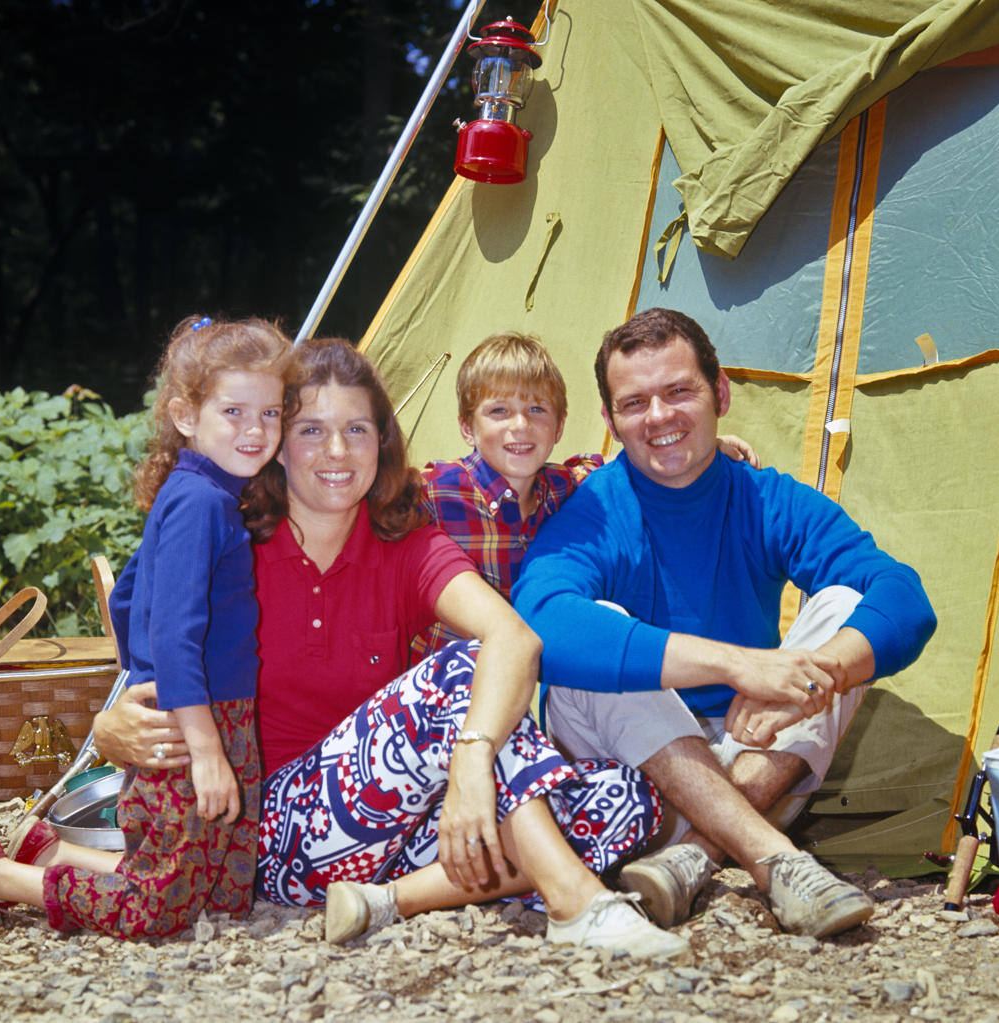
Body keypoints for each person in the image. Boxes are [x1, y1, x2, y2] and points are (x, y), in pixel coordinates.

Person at [89, 337, 687, 959]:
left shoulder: (405, 544)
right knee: (458, 672)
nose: (339, 452)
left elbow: (515, 637)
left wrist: (471, 766)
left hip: (402, 824)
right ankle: (576, 904)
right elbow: (146, 636)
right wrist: (109, 725)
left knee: (626, 797)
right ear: (276, 443)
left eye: (358, 429)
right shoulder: (225, 534)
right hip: (270, 829)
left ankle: (390, 900)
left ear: (383, 442)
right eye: (311, 430)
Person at [512, 307, 937, 939]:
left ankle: (697, 853)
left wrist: (817, 675)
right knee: (586, 646)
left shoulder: (767, 499)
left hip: (757, 751)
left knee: (849, 612)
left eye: (679, 390)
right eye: (635, 403)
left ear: (721, 393)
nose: (659, 418)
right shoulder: (595, 510)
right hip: (636, 774)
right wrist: (737, 663)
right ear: (610, 421)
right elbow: (541, 617)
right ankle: (776, 861)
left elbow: (904, 597)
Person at [0, 315, 294, 937]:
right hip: (189, 722)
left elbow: (126, 596)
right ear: (185, 416)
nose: (256, 430)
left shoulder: (205, 492)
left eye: (271, 413)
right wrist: (203, 746)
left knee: (223, 894)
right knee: (160, 912)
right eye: (234, 412)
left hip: (214, 711)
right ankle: (1, 879)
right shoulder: (201, 502)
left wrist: (137, 670)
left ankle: (49, 848)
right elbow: (176, 632)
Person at [412, 331, 758, 662]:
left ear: (559, 426)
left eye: (537, 410)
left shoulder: (560, 488)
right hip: (429, 675)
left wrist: (697, 444)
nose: (520, 425)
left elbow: (620, 464)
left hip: (503, 682)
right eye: (499, 411)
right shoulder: (436, 489)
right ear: (467, 427)